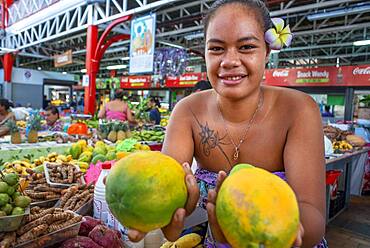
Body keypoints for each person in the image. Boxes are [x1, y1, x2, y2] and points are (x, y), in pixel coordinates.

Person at [127, 0, 327, 247]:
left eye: (246, 47)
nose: (229, 61)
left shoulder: (298, 109)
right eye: (217, 48)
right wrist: (169, 213)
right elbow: (167, 193)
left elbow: (314, 216)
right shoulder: (187, 111)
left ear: (267, 51)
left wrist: (283, 235)